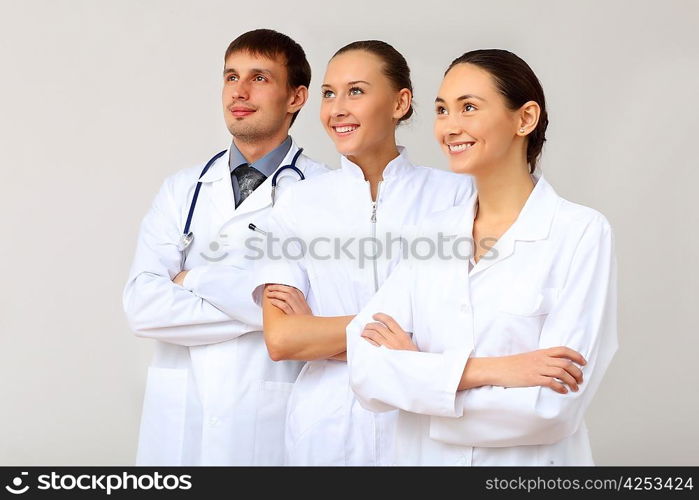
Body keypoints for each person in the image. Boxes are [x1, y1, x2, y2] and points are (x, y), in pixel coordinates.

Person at [346, 49, 618, 466]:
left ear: (524, 119)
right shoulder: (431, 233)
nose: (449, 127)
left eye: (468, 107)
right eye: (441, 110)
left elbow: (551, 408)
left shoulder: (579, 233)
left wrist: (419, 381)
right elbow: (366, 370)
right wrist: (493, 370)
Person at [252, 40, 474, 465]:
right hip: (328, 426)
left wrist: (321, 334)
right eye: (328, 93)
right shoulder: (297, 203)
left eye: (355, 91)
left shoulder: (458, 197)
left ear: (400, 102)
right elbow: (282, 338)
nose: (336, 108)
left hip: (423, 417)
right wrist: (404, 339)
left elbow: (469, 331)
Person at [122, 29, 328, 465]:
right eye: (231, 76)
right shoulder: (182, 189)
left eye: (260, 78)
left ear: (296, 97)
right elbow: (142, 306)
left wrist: (192, 279)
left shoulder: (326, 192)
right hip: (182, 421)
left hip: (271, 419)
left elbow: (321, 311)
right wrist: (267, 311)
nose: (239, 91)